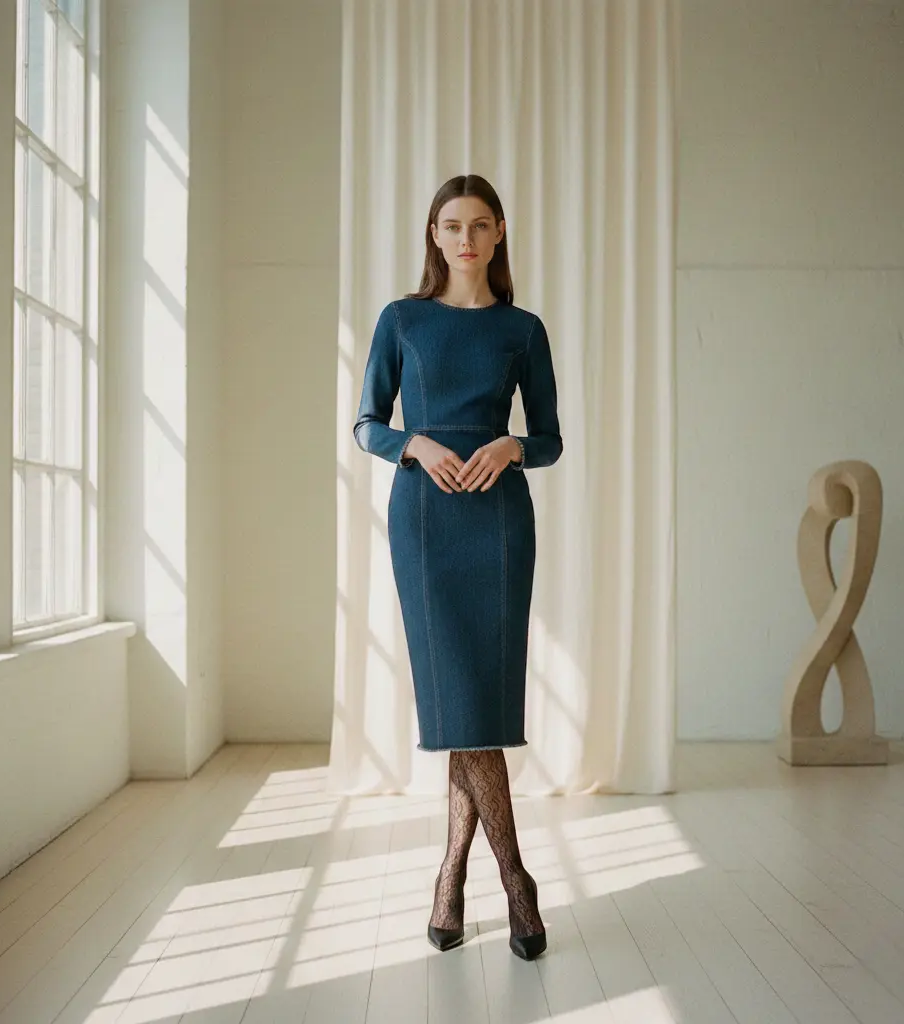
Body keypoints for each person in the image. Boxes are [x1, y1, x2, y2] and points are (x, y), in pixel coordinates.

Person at [353, 174, 562, 960]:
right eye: (451, 225)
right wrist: (415, 442)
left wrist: (511, 446)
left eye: (480, 225)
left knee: (478, 708)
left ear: (499, 233)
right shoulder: (401, 320)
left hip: (500, 525)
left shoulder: (523, 329)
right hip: (426, 520)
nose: (466, 238)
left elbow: (548, 437)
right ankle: (516, 882)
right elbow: (366, 421)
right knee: (458, 707)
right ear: (434, 235)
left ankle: (453, 879)